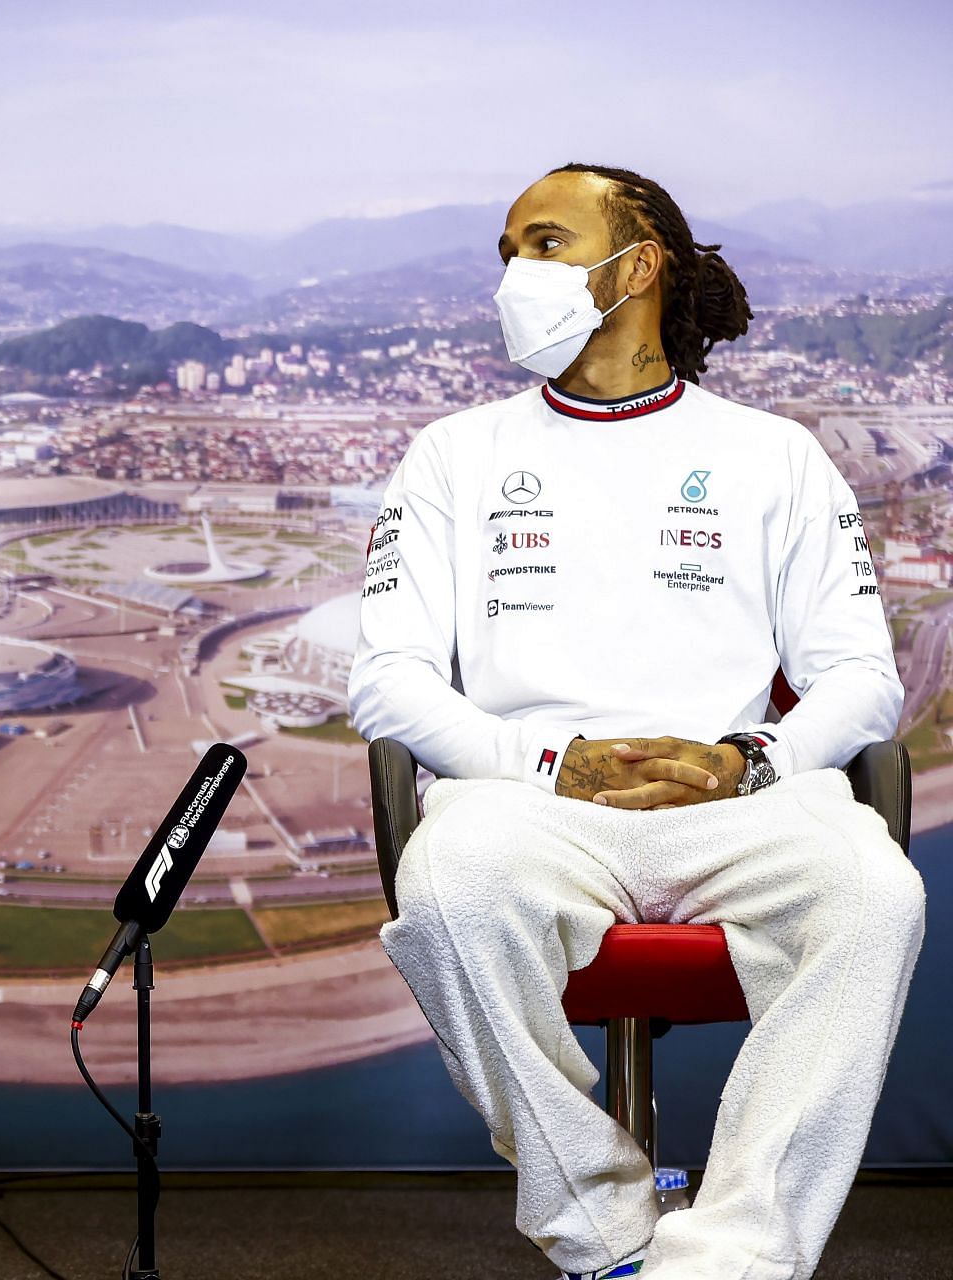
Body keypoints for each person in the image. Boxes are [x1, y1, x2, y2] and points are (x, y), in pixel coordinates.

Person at [348, 165, 924, 1280]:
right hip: (528, 802)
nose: (518, 274)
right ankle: (602, 1230)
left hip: (739, 799)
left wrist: (750, 757)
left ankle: (732, 1256)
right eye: (508, 250)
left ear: (640, 265)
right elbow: (390, 683)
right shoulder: (452, 457)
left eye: (548, 243)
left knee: (878, 892)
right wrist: (550, 762)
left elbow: (862, 678)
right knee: (448, 887)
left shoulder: (777, 455)